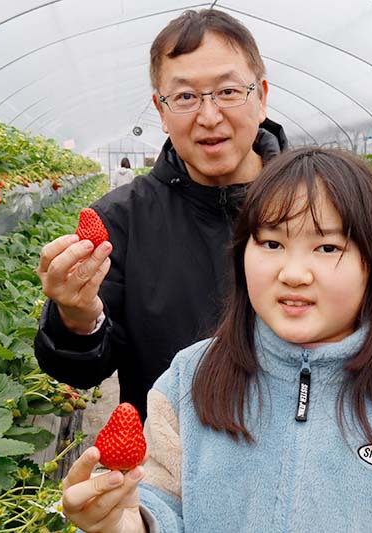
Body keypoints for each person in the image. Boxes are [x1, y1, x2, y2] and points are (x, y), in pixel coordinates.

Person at [59, 147, 372, 532]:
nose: (293, 273)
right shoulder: (192, 378)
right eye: (271, 244)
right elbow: (159, 505)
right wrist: (124, 522)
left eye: (327, 247)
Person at [35, 9, 288, 419]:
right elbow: (81, 371)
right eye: (186, 97)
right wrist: (76, 318)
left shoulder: (318, 207)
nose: (209, 116)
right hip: (167, 452)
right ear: (161, 110)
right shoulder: (121, 220)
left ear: (261, 97)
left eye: (228, 91)